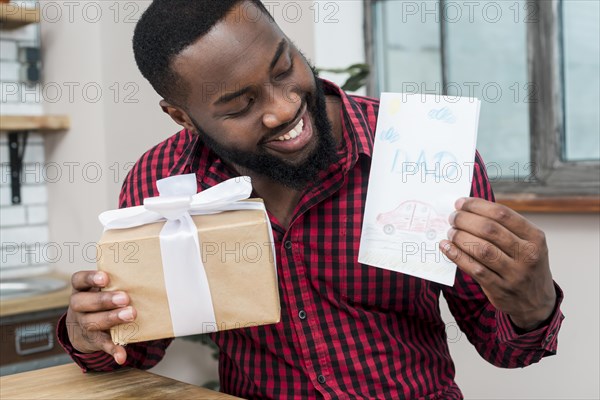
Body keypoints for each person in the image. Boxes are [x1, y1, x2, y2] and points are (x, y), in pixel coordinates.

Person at [57, 1, 564, 398]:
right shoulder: (161, 182)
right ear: (181, 117)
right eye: (240, 105)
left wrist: (533, 303)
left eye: (283, 68)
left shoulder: (422, 155)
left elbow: (504, 347)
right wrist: (90, 333)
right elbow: (135, 352)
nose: (282, 109)